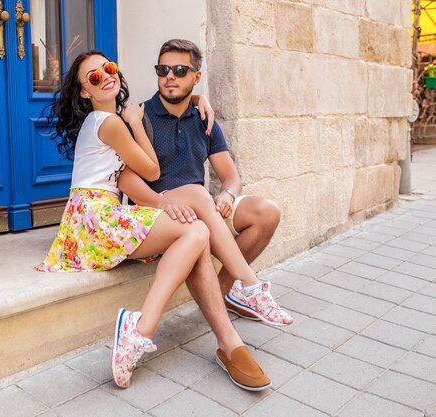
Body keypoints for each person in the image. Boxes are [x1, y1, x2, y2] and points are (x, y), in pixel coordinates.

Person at [36, 50, 271, 391]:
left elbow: (134, 172)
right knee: (196, 230)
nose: (105, 76)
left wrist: (198, 98)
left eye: (109, 68)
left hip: (89, 218)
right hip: (96, 217)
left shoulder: (108, 120)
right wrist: (133, 122)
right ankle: (234, 292)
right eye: (94, 77)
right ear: (85, 92)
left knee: (197, 231)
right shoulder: (114, 122)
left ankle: (141, 328)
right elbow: (151, 170)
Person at [118, 39, 293, 327]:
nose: (169, 76)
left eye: (179, 70)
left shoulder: (203, 118)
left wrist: (227, 195)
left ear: (196, 77)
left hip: (203, 208)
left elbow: (231, 177)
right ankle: (251, 286)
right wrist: (163, 201)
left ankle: (227, 292)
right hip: (163, 215)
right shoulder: (139, 117)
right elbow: (125, 178)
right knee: (199, 194)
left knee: (267, 211)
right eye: (163, 69)